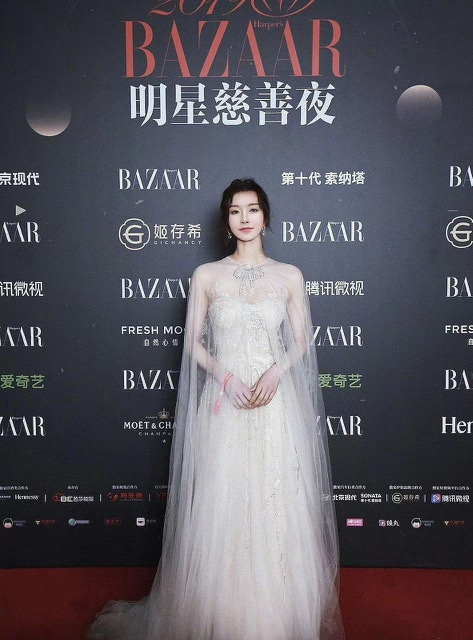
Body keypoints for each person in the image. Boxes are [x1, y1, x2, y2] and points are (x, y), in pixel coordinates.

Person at [86, 178, 345, 640]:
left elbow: (302, 340)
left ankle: (274, 620)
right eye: (235, 211)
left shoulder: (289, 275)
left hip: (273, 406)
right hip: (225, 405)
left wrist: (275, 372)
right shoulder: (207, 275)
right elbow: (193, 343)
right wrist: (226, 379)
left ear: (266, 217)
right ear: (226, 220)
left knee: (275, 505)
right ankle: (220, 617)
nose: (245, 218)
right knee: (221, 507)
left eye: (253, 209)